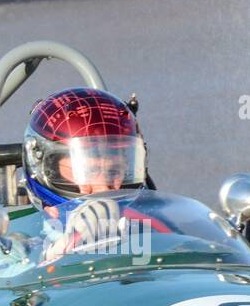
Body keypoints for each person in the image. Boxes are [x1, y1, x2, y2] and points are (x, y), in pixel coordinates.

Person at [21, 88, 165, 261]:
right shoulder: (18, 242)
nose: (104, 187)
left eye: (113, 171)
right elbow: (0, 275)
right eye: (89, 171)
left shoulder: (152, 227)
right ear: (46, 168)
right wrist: (55, 254)